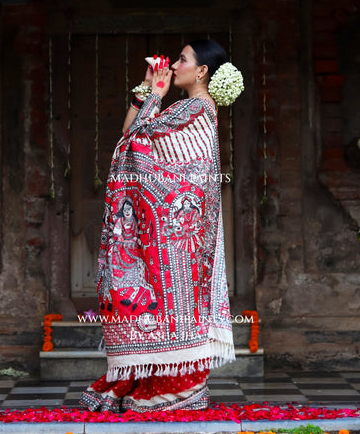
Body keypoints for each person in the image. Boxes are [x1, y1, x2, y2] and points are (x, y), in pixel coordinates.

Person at [80, 39, 244, 412]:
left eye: (182, 60)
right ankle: (169, 386)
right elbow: (131, 137)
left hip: (178, 231)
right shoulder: (185, 109)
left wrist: (155, 93)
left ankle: (174, 391)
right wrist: (148, 92)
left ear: (201, 71)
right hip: (176, 231)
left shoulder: (194, 109)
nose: (175, 65)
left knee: (173, 302)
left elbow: (134, 140)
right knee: (164, 303)